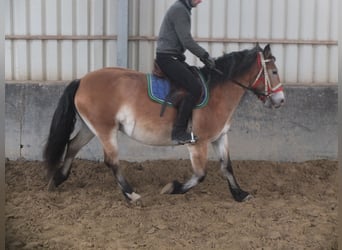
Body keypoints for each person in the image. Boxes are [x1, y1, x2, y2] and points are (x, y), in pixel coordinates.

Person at [156, 0, 215, 145]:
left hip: (173, 57)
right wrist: (204, 55)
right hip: (167, 58)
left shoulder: (183, 8)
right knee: (195, 88)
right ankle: (178, 132)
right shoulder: (180, 10)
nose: (200, 1)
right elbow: (187, 41)